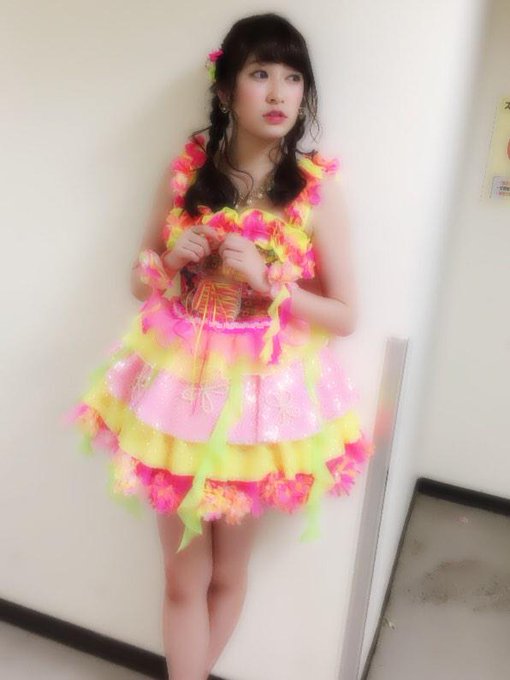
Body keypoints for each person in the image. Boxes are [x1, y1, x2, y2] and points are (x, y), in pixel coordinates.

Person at [64, 12, 374, 680]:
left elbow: (346, 315)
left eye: (293, 77)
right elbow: (140, 279)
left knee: (228, 572)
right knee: (184, 578)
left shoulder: (313, 191)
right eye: (260, 73)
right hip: (181, 387)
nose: (279, 93)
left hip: (261, 399)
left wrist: (269, 282)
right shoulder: (187, 176)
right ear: (227, 88)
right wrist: (171, 259)